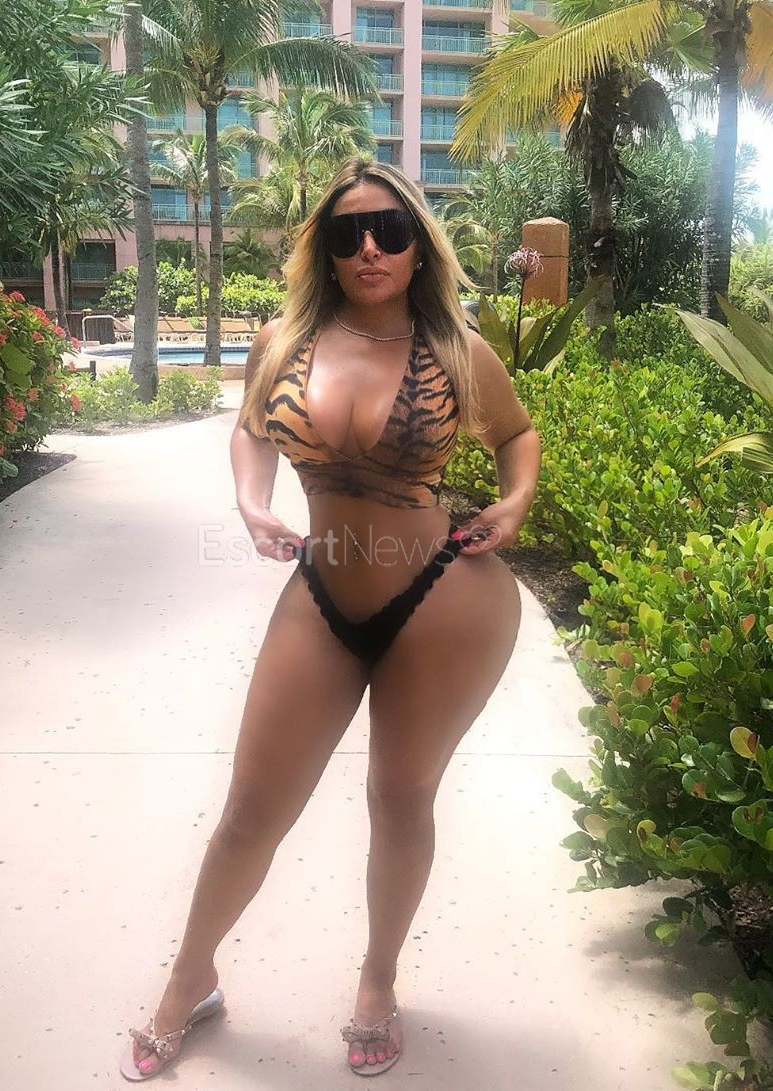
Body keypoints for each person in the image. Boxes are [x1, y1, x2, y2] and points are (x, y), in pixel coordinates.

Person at [120, 157, 541, 1081]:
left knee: (400, 797)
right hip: (321, 592)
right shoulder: (283, 341)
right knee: (250, 808)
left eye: (390, 229)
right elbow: (250, 427)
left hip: (440, 595)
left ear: (419, 245)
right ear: (327, 248)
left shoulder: (457, 348)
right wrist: (251, 502)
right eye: (349, 232)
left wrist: (513, 503)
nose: (369, 248)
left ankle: (377, 979)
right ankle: (191, 977)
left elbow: (516, 434)